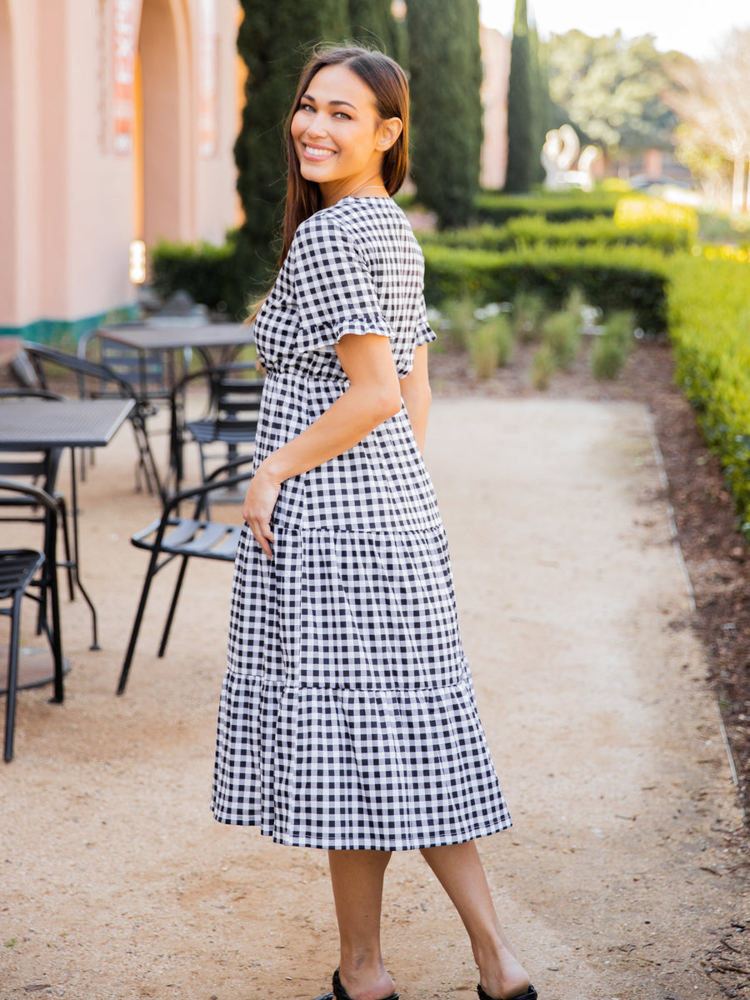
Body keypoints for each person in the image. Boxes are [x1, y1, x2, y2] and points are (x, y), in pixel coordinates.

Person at [211, 44, 537, 1000]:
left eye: (342, 114)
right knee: (407, 740)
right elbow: (416, 389)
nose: (313, 125)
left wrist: (272, 469)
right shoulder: (388, 225)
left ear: (387, 132)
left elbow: (374, 395)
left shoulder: (329, 237)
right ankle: (473, 964)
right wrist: (395, 499)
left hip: (331, 521)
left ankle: (374, 972)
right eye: (308, 107)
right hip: (392, 513)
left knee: (357, 747)